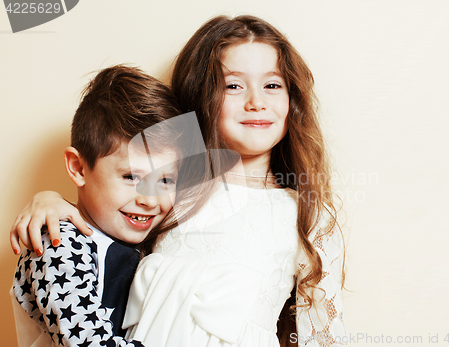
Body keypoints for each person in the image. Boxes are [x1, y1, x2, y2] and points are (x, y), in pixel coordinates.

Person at [10, 15, 347, 347]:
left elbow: (322, 335)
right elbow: (103, 221)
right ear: (203, 95)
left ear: (293, 99)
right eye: (233, 85)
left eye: (272, 85)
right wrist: (51, 200)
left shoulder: (309, 214)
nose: (256, 102)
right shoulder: (173, 189)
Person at [11, 65, 183, 347]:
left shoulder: (137, 238)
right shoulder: (58, 244)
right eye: (131, 177)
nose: (150, 199)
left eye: (166, 179)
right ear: (78, 167)